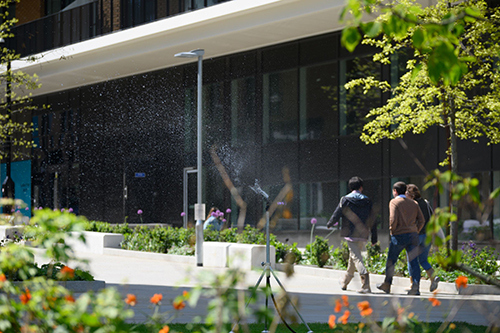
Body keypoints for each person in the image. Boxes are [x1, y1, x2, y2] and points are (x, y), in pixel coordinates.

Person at [377, 181, 425, 295]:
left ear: (395, 191)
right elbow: (422, 220)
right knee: (414, 262)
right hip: (413, 236)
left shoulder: (394, 202)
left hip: (399, 236)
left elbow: (393, 219)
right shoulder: (414, 203)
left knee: (391, 261)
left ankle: (387, 284)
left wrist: (392, 231)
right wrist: (416, 230)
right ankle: (416, 287)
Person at [327, 176, 374, 293]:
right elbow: (373, 219)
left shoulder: (345, 199)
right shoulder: (367, 201)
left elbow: (337, 213)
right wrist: (374, 237)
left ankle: (365, 283)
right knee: (353, 257)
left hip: (350, 233)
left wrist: (330, 223)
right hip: (363, 233)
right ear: (361, 187)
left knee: (356, 258)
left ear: (350, 187)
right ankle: (345, 282)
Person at [406, 184, 440, 292]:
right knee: (423, 260)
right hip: (427, 235)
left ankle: (413, 285)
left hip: (416, 235)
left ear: (411, 194)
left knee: (411, 260)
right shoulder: (425, 203)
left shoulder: (412, 204)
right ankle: (433, 276)